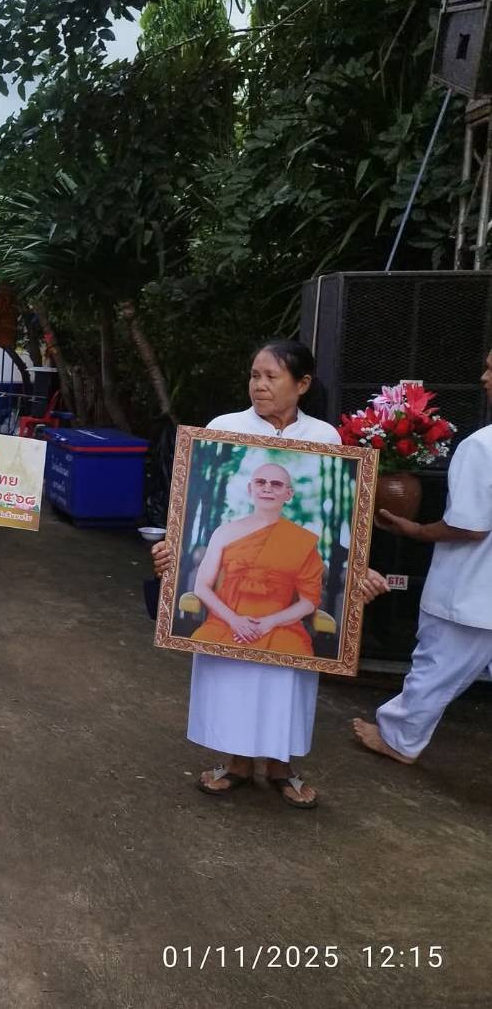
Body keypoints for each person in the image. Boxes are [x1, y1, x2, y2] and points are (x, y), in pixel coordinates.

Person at [151, 339, 388, 807]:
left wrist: (361, 568)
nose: (259, 386)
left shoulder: (325, 439)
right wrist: (170, 554)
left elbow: (338, 524)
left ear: (301, 385)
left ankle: (281, 766)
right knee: (231, 673)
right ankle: (236, 763)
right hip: (231, 600)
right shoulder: (223, 429)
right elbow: (193, 530)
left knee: (289, 677)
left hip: (285, 603)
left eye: (271, 377)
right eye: (254, 376)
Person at [353, 349, 492, 764]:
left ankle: (398, 738)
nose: (483, 377)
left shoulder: (482, 446)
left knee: (435, 667)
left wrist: (415, 530)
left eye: (491, 369)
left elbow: (469, 527)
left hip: (471, 590)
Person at [189, 462, 323, 658]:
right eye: (261, 482)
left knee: (295, 651)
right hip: (225, 622)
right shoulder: (224, 533)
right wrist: (234, 620)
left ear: (289, 494)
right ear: (250, 489)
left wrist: (268, 623)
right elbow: (201, 586)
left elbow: (309, 601)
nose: (267, 488)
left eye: (276, 484)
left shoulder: (301, 540)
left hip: (280, 627)